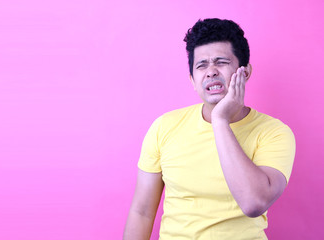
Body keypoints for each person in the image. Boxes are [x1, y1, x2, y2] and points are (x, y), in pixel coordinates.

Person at [123, 18, 296, 240]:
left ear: (245, 72)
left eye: (221, 62)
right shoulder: (164, 127)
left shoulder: (274, 132)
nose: (211, 71)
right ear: (192, 80)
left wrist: (220, 120)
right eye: (201, 65)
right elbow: (142, 211)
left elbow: (254, 203)